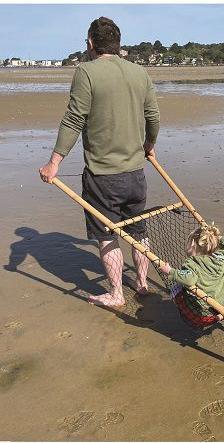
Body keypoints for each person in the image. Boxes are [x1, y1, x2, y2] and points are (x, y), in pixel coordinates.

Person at [38, 17, 160, 306]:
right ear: (117, 44)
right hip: (135, 173)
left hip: (102, 176)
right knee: (137, 229)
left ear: (91, 43)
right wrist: (149, 145)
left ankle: (117, 294)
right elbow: (153, 116)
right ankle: (142, 283)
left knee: (107, 235)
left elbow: (74, 119)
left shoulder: (86, 72)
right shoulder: (139, 72)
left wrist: (54, 162)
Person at [158, 223, 224, 328]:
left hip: (201, 314)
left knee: (175, 287)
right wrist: (219, 238)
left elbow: (189, 279)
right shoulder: (222, 256)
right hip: (222, 306)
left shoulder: (192, 263)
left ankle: (189, 314)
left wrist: (170, 271)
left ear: (192, 244)